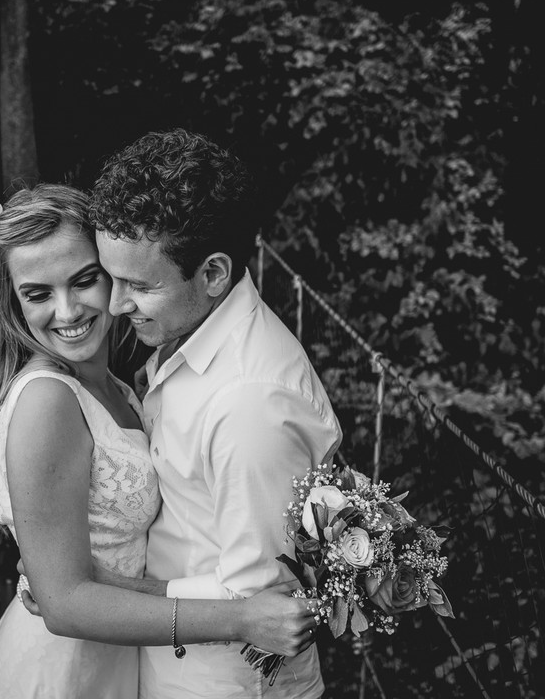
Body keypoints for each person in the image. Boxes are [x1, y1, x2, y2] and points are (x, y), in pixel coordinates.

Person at [0, 184, 316, 699]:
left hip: (129, 650)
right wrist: (239, 618)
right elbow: (62, 604)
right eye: (37, 293)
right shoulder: (47, 402)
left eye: (85, 281)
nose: (67, 312)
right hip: (68, 666)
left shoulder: (117, 383)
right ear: (13, 304)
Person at [87, 129, 345, 698]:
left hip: (225, 683)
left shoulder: (249, 405)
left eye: (137, 285)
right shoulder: (189, 327)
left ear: (213, 274)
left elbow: (264, 599)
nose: (114, 304)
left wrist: (106, 591)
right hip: (172, 665)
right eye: (111, 277)